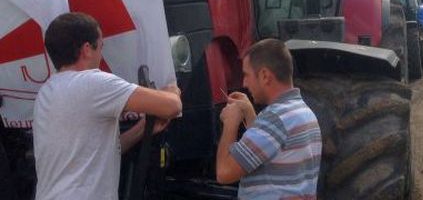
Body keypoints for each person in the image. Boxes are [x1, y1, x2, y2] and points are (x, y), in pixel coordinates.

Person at [33, 12, 182, 200]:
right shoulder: (94, 83)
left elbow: (92, 151)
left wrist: (142, 128)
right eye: (101, 46)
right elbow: (172, 106)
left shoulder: (46, 92)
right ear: (87, 49)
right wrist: (172, 88)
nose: (101, 54)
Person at [216, 39, 322, 199]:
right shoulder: (303, 113)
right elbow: (270, 149)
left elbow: (224, 173)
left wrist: (230, 123)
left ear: (265, 76)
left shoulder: (274, 119)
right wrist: (250, 114)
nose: (244, 83)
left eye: (246, 75)